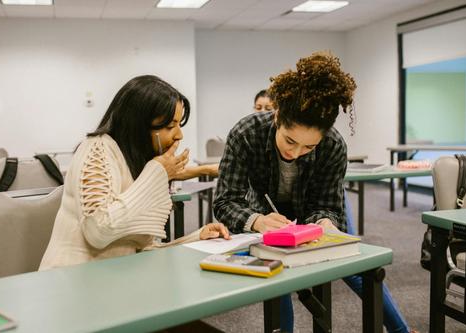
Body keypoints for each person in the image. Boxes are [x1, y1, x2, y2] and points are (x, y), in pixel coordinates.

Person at [213, 52, 415, 333]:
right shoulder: (246, 133)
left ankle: (401, 331)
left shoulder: (333, 145)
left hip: (314, 206)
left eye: (308, 147)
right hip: (266, 211)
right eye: (290, 140)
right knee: (276, 272)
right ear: (277, 116)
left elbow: (326, 205)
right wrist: (258, 221)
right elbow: (225, 201)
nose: (295, 153)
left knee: (355, 267)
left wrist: (325, 224)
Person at [40, 75, 230, 271]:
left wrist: (196, 237)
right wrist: (157, 171)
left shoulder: (136, 162)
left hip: (112, 279)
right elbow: (99, 230)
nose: (179, 135)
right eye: (169, 126)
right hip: (73, 281)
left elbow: (139, 249)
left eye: (179, 125)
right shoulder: (97, 149)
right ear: (138, 125)